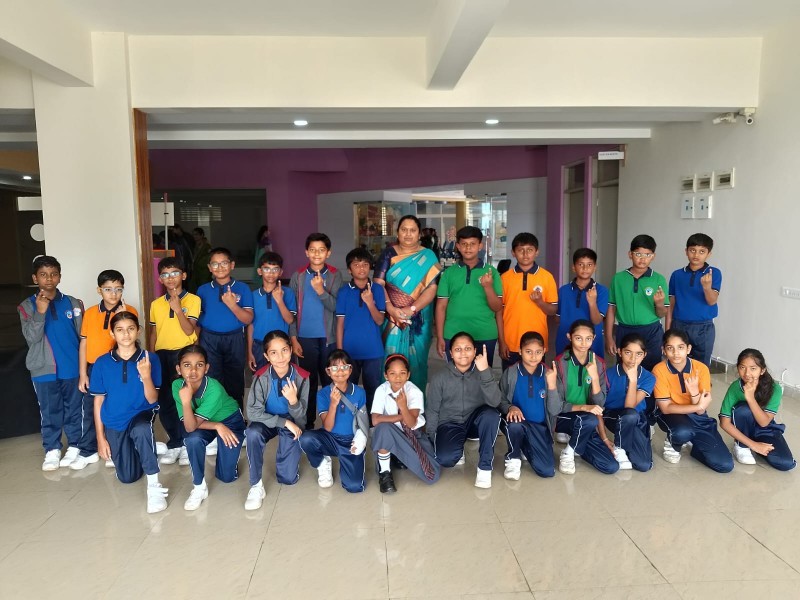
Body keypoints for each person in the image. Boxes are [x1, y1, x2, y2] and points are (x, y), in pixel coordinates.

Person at [90, 312, 168, 514]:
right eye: (120, 330)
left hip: (141, 412)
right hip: (114, 420)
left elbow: (152, 399)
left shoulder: (150, 359)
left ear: (138, 331)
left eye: (131, 329)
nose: (126, 334)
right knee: (128, 477)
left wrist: (146, 376)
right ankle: (146, 448)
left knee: (141, 429)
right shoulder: (101, 363)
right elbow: (98, 401)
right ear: (112, 333)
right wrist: (100, 438)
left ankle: (154, 486)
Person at [18, 255, 85, 471]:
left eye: (53, 274)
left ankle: (75, 445)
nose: (49, 279)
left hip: (71, 366)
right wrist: (40, 311)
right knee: (49, 410)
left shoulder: (73, 303)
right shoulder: (26, 306)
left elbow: (83, 337)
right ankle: (52, 449)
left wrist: (84, 367)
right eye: (43, 275)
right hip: (43, 369)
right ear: (35, 278)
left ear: (60, 277)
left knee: (74, 409)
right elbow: (31, 337)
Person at [76, 269, 139, 470]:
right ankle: (88, 450)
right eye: (108, 289)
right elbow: (84, 343)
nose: (113, 294)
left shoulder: (130, 310)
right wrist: (83, 373)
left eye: (118, 289)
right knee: (90, 408)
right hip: (95, 367)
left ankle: (115, 448)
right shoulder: (90, 313)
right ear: (99, 290)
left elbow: (130, 339)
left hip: (120, 367)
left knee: (118, 407)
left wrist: (121, 314)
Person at [173, 344, 246, 511]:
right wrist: (216, 426)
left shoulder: (214, 389)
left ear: (206, 368)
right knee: (192, 440)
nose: (193, 371)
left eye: (199, 365)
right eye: (187, 365)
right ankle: (199, 487)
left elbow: (191, 423)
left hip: (230, 421)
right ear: (178, 369)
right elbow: (189, 427)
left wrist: (221, 425)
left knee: (226, 477)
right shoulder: (177, 386)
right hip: (207, 424)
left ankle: (236, 437)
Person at [373, 215, 442, 392]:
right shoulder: (388, 253)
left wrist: (412, 309)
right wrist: (390, 309)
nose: (408, 234)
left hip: (418, 317)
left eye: (412, 230)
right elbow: (378, 284)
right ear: (398, 232)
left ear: (419, 234)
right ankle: (388, 404)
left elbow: (432, 288)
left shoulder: (428, 256)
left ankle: (415, 404)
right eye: (404, 230)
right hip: (390, 317)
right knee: (390, 361)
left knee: (417, 363)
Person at [605, 234, 668, 424]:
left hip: (651, 331)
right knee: (626, 370)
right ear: (630, 254)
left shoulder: (658, 279)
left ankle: (648, 417)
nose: (642, 259)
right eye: (638, 254)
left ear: (653, 256)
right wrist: (609, 336)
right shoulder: (618, 278)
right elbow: (611, 308)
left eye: (647, 255)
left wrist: (659, 303)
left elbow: (662, 313)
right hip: (625, 331)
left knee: (650, 372)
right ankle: (625, 412)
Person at [426, 331, 502, 489]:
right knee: (446, 459)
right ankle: (457, 446)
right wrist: (434, 440)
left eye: (467, 348)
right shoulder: (440, 377)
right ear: (450, 353)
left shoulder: (483, 371)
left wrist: (485, 372)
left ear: (475, 351)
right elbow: (432, 410)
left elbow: (495, 402)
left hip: (475, 422)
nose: (463, 353)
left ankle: (485, 467)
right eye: (458, 349)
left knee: (491, 415)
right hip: (450, 422)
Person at [652, 329, 733, 472]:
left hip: (698, 417)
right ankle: (674, 442)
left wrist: (695, 392)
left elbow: (701, 411)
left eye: (680, 347)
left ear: (688, 349)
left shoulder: (701, 369)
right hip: (672, 415)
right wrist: (698, 406)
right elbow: (666, 408)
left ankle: (695, 446)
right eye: (670, 348)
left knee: (725, 465)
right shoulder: (659, 370)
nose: (676, 353)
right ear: (663, 350)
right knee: (683, 431)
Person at [245, 331, 309, 510]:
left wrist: (293, 401)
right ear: (266, 356)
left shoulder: (302, 376)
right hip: (266, 420)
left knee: (288, 478)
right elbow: (252, 412)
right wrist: (283, 422)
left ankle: (290, 460)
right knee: (252, 433)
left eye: (284, 350)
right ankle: (256, 484)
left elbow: (301, 416)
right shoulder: (260, 377)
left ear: (291, 350)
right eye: (273, 352)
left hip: (292, 420)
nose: (280, 357)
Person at [150, 257, 201, 467]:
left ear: (183, 275)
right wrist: (152, 356)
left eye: (174, 273)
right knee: (165, 400)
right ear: (160, 279)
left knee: (185, 398)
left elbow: (189, 330)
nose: (170, 278)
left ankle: (189, 442)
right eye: (165, 274)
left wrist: (178, 308)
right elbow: (154, 333)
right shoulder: (156, 304)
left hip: (183, 353)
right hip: (162, 355)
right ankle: (175, 442)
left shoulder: (193, 300)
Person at [289, 232, 343, 430]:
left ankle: (332, 422)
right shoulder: (298, 275)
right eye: (312, 250)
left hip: (328, 338)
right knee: (307, 383)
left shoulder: (335, 274)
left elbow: (336, 307)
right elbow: (292, 311)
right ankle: (308, 423)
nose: (317, 254)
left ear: (328, 253)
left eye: (321, 250)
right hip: (304, 338)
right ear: (306, 252)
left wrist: (320, 291)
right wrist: (293, 338)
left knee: (330, 381)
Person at [552, 319, 619, 475]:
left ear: (594, 338)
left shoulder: (599, 363)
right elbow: (555, 406)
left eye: (588, 338)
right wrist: (584, 407)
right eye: (578, 338)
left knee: (610, 466)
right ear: (569, 337)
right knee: (589, 419)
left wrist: (594, 378)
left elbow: (599, 404)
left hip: (587, 421)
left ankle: (577, 442)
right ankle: (568, 453)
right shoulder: (559, 363)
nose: (583, 343)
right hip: (562, 418)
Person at [299, 350, 369, 493]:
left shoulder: (360, 393)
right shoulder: (323, 394)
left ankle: (351, 461)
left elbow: (363, 422)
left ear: (350, 369)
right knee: (306, 439)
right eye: (335, 368)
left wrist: (360, 438)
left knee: (354, 486)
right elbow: (328, 427)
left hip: (350, 441)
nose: (340, 371)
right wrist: (333, 404)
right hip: (330, 438)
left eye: (344, 367)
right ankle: (322, 463)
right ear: (328, 371)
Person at [370, 354, 440, 493]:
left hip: (413, 435)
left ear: (408, 375)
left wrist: (403, 406)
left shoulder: (414, 392)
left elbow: (411, 423)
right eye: (392, 373)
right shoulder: (381, 390)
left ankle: (397, 455)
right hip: (389, 433)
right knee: (383, 429)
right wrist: (402, 416)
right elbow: (375, 420)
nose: (398, 377)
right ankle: (385, 474)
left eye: (402, 373)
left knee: (433, 475)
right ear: (386, 375)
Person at [436, 226, 503, 367]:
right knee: (455, 376)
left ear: (480, 246)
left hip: (484, 334)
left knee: (483, 376)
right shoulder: (448, 274)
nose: (468, 248)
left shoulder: (492, 272)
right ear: (458, 246)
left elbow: (497, 307)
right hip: (453, 334)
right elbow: (441, 307)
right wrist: (440, 336)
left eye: (472, 244)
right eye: (464, 244)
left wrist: (488, 287)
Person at [719, 348, 795, 470]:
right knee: (743, 409)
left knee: (785, 463)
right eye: (742, 367)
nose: (747, 373)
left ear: (762, 370)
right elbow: (724, 423)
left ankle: (756, 442)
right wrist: (753, 445)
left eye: (753, 368)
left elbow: (764, 423)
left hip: (765, 429)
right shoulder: (735, 387)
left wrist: (750, 398)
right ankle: (741, 446)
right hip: (744, 426)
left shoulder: (774, 389)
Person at [197, 247, 254, 407]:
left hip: (234, 338)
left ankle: (236, 415)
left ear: (232, 265)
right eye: (215, 264)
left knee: (235, 379)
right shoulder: (202, 290)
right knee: (212, 380)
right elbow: (198, 321)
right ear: (209, 268)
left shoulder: (242, 288)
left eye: (224, 263)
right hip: (209, 339)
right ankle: (216, 416)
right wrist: (196, 343)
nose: (220, 267)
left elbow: (248, 319)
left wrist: (233, 305)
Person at [499, 331, 560, 480]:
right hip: (518, 423)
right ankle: (513, 457)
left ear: (544, 351)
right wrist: (510, 407)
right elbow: (499, 400)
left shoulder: (549, 374)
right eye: (528, 352)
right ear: (520, 351)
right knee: (514, 425)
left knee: (547, 471)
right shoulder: (511, 373)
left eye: (538, 352)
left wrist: (552, 386)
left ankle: (524, 446)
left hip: (540, 428)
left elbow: (555, 410)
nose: (533, 356)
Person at [336, 247, 386, 412]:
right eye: (356, 265)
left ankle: (372, 421)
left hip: (373, 351)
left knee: (373, 389)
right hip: (349, 351)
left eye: (365, 264)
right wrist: (340, 352)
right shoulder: (343, 292)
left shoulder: (377, 289)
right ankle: (350, 420)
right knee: (348, 389)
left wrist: (370, 302)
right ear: (349, 270)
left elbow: (379, 320)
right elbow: (340, 323)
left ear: (370, 267)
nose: (361, 268)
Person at [498, 233, 557, 370]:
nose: (525, 254)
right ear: (513, 253)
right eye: (520, 250)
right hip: (511, 341)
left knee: (536, 378)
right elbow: (499, 312)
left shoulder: (547, 277)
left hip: (537, 343)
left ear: (537, 252)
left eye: (530, 250)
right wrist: (501, 341)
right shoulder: (505, 278)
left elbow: (553, 310)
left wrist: (540, 302)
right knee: (510, 379)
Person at [666, 233, 721, 366]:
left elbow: (712, 301)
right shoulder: (677, 274)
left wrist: (707, 287)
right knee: (677, 363)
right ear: (686, 251)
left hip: (703, 327)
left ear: (709, 254)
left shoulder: (714, 273)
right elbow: (671, 304)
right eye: (692, 250)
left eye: (702, 251)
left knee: (701, 365)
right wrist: (667, 331)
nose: (696, 255)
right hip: (679, 325)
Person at [603, 333, 655, 472]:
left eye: (638, 354)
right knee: (629, 415)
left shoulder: (648, 377)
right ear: (619, 352)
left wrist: (633, 380)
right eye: (628, 352)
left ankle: (624, 445)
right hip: (612, 416)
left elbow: (631, 407)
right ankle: (619, 448)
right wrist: (633, 380)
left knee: (644, 465)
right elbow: (628, 408)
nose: (633, 359)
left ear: (644, 355)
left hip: (637, 418)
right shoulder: (608, 374)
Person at [247, 252, 296, 373]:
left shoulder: (288, 293)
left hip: (282, 346)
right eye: (266, 269)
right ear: (259, 271)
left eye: (275, 269)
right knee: (260, 378)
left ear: (281, 272)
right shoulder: (252, 296)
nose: (271, 273)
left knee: (284, 378)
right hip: (259, 346)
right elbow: (251, 325)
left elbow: (290, 320)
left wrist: (279, 301)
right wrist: (249, 351)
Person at [555, 248, 608, 359]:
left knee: (592, 367)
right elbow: (558, 318)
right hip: (565, 340)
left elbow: (597, 320)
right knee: (564, 367)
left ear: (595, 267)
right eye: (580, 264)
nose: (585, 268)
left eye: (589, 265)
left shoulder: (601, 291)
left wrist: (592, 303)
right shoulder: (563, 290)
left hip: (591, 343)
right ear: (573, 267)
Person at [188, 227, 212, 292]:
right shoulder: (195, 246)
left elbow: (207, 259)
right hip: (195, 272)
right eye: (193, 235)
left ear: (201, 235)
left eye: (196, 234)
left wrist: (198, 263)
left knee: (204, 289)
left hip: (204, 272)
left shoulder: (206, 247)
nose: (195, 236)